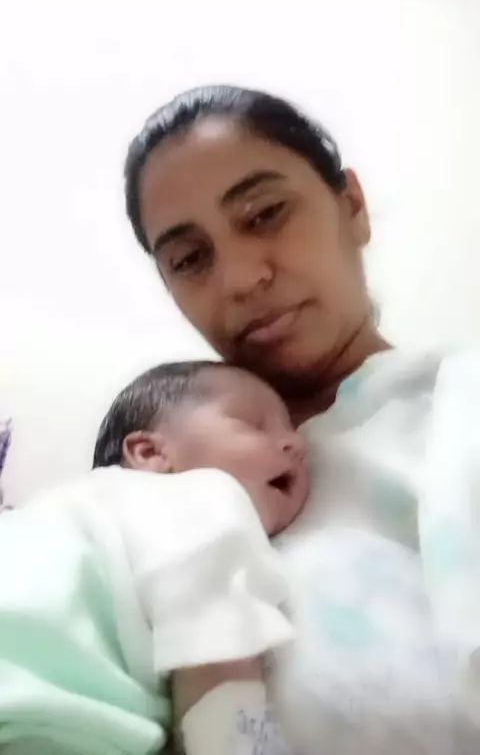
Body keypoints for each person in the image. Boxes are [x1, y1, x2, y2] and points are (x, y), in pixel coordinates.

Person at [122, 85, 480, 755]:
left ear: (353, 206)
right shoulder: (159, 483)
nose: (240, 277)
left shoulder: (462, 403)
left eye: (265, 214)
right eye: (190, 258)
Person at [0, 360, 302, 755]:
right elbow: (218, 665)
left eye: (291, 430)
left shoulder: (61, 510)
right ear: (149, 452)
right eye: (254, 424)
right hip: (42, 719)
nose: (295, 444)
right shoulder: (206, 496)